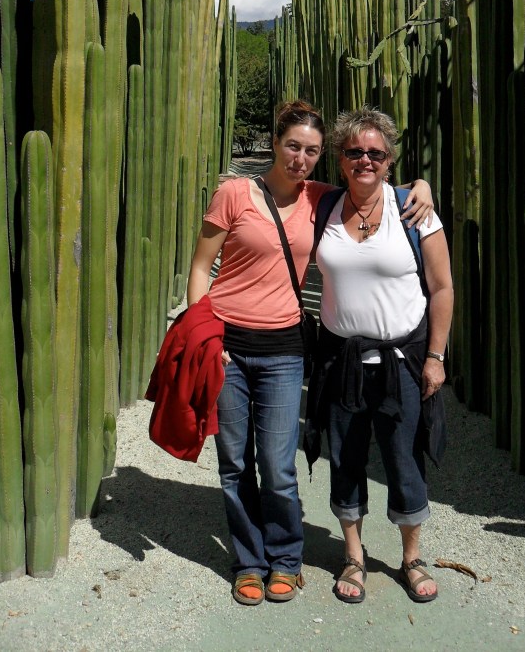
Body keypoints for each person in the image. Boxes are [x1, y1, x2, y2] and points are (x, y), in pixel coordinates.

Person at [186, 100, 434, 606]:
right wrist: (205, 338)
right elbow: (199, 269)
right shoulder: (234, 192)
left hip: (283, 350)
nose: (300, 158)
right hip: (227, 347)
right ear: (276, 144)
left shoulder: (320, 199)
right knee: (234, 463)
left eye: (312, 151)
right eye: (293, 146)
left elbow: (379, 189)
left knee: (277, 465)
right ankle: (248, 562)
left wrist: (421, 188)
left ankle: (285, 558)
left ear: (323, 159)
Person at [305, 106, 453, 604]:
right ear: (340, 160)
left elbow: (442, 286)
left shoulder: (413, 208)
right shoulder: (322, 205)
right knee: (345, 458)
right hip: (340, 360)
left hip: (402, 364)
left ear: (389, 161)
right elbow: (277, 194)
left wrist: (435, 355)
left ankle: (411, 557)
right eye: (354, 152)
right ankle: (354, 556)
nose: (364, 160)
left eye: (375, 153)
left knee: (404, 459)